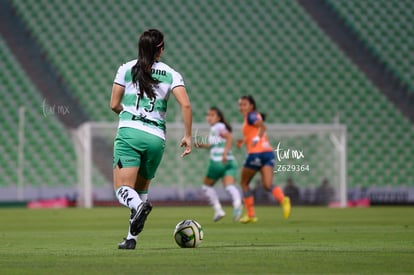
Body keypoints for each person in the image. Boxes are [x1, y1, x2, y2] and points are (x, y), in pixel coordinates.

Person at [110, 29, 192, 249]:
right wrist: (188, 135)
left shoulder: (126, 69)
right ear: (160, 50)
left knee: (122, 189)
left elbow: (113, 104)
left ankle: (138, 207)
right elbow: (185, 105)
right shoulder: (171, 73)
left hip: (130, 132)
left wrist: (130, 115)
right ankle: (131, 239)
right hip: (156, 137)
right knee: (142, 188)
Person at [237, 95, 291, 223]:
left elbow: (262, 127)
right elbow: (256, 130)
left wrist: (256, 139)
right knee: (267, 185)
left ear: (251, 106)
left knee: (244, 183)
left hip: (256, 153)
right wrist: (245, 141)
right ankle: (284, 199)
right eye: (240, 104)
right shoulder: (255, 116)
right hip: (268, 153)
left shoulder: (251, 116)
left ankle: (251, 214)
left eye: (244, 104)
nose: (241, 107)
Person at [195, 107, 242, 222]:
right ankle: (237, 203)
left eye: (212, 115)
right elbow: (213, 145)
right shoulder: (216, 129)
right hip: (230, 162)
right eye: (208, 115)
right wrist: (202, 145)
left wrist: (224, 154)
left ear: (219, 118)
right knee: (229, 186)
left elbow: (229, 138)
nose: (209, 117)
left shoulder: (218, 126)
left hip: (218, 161)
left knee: (206, 186)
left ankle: (218, 210)